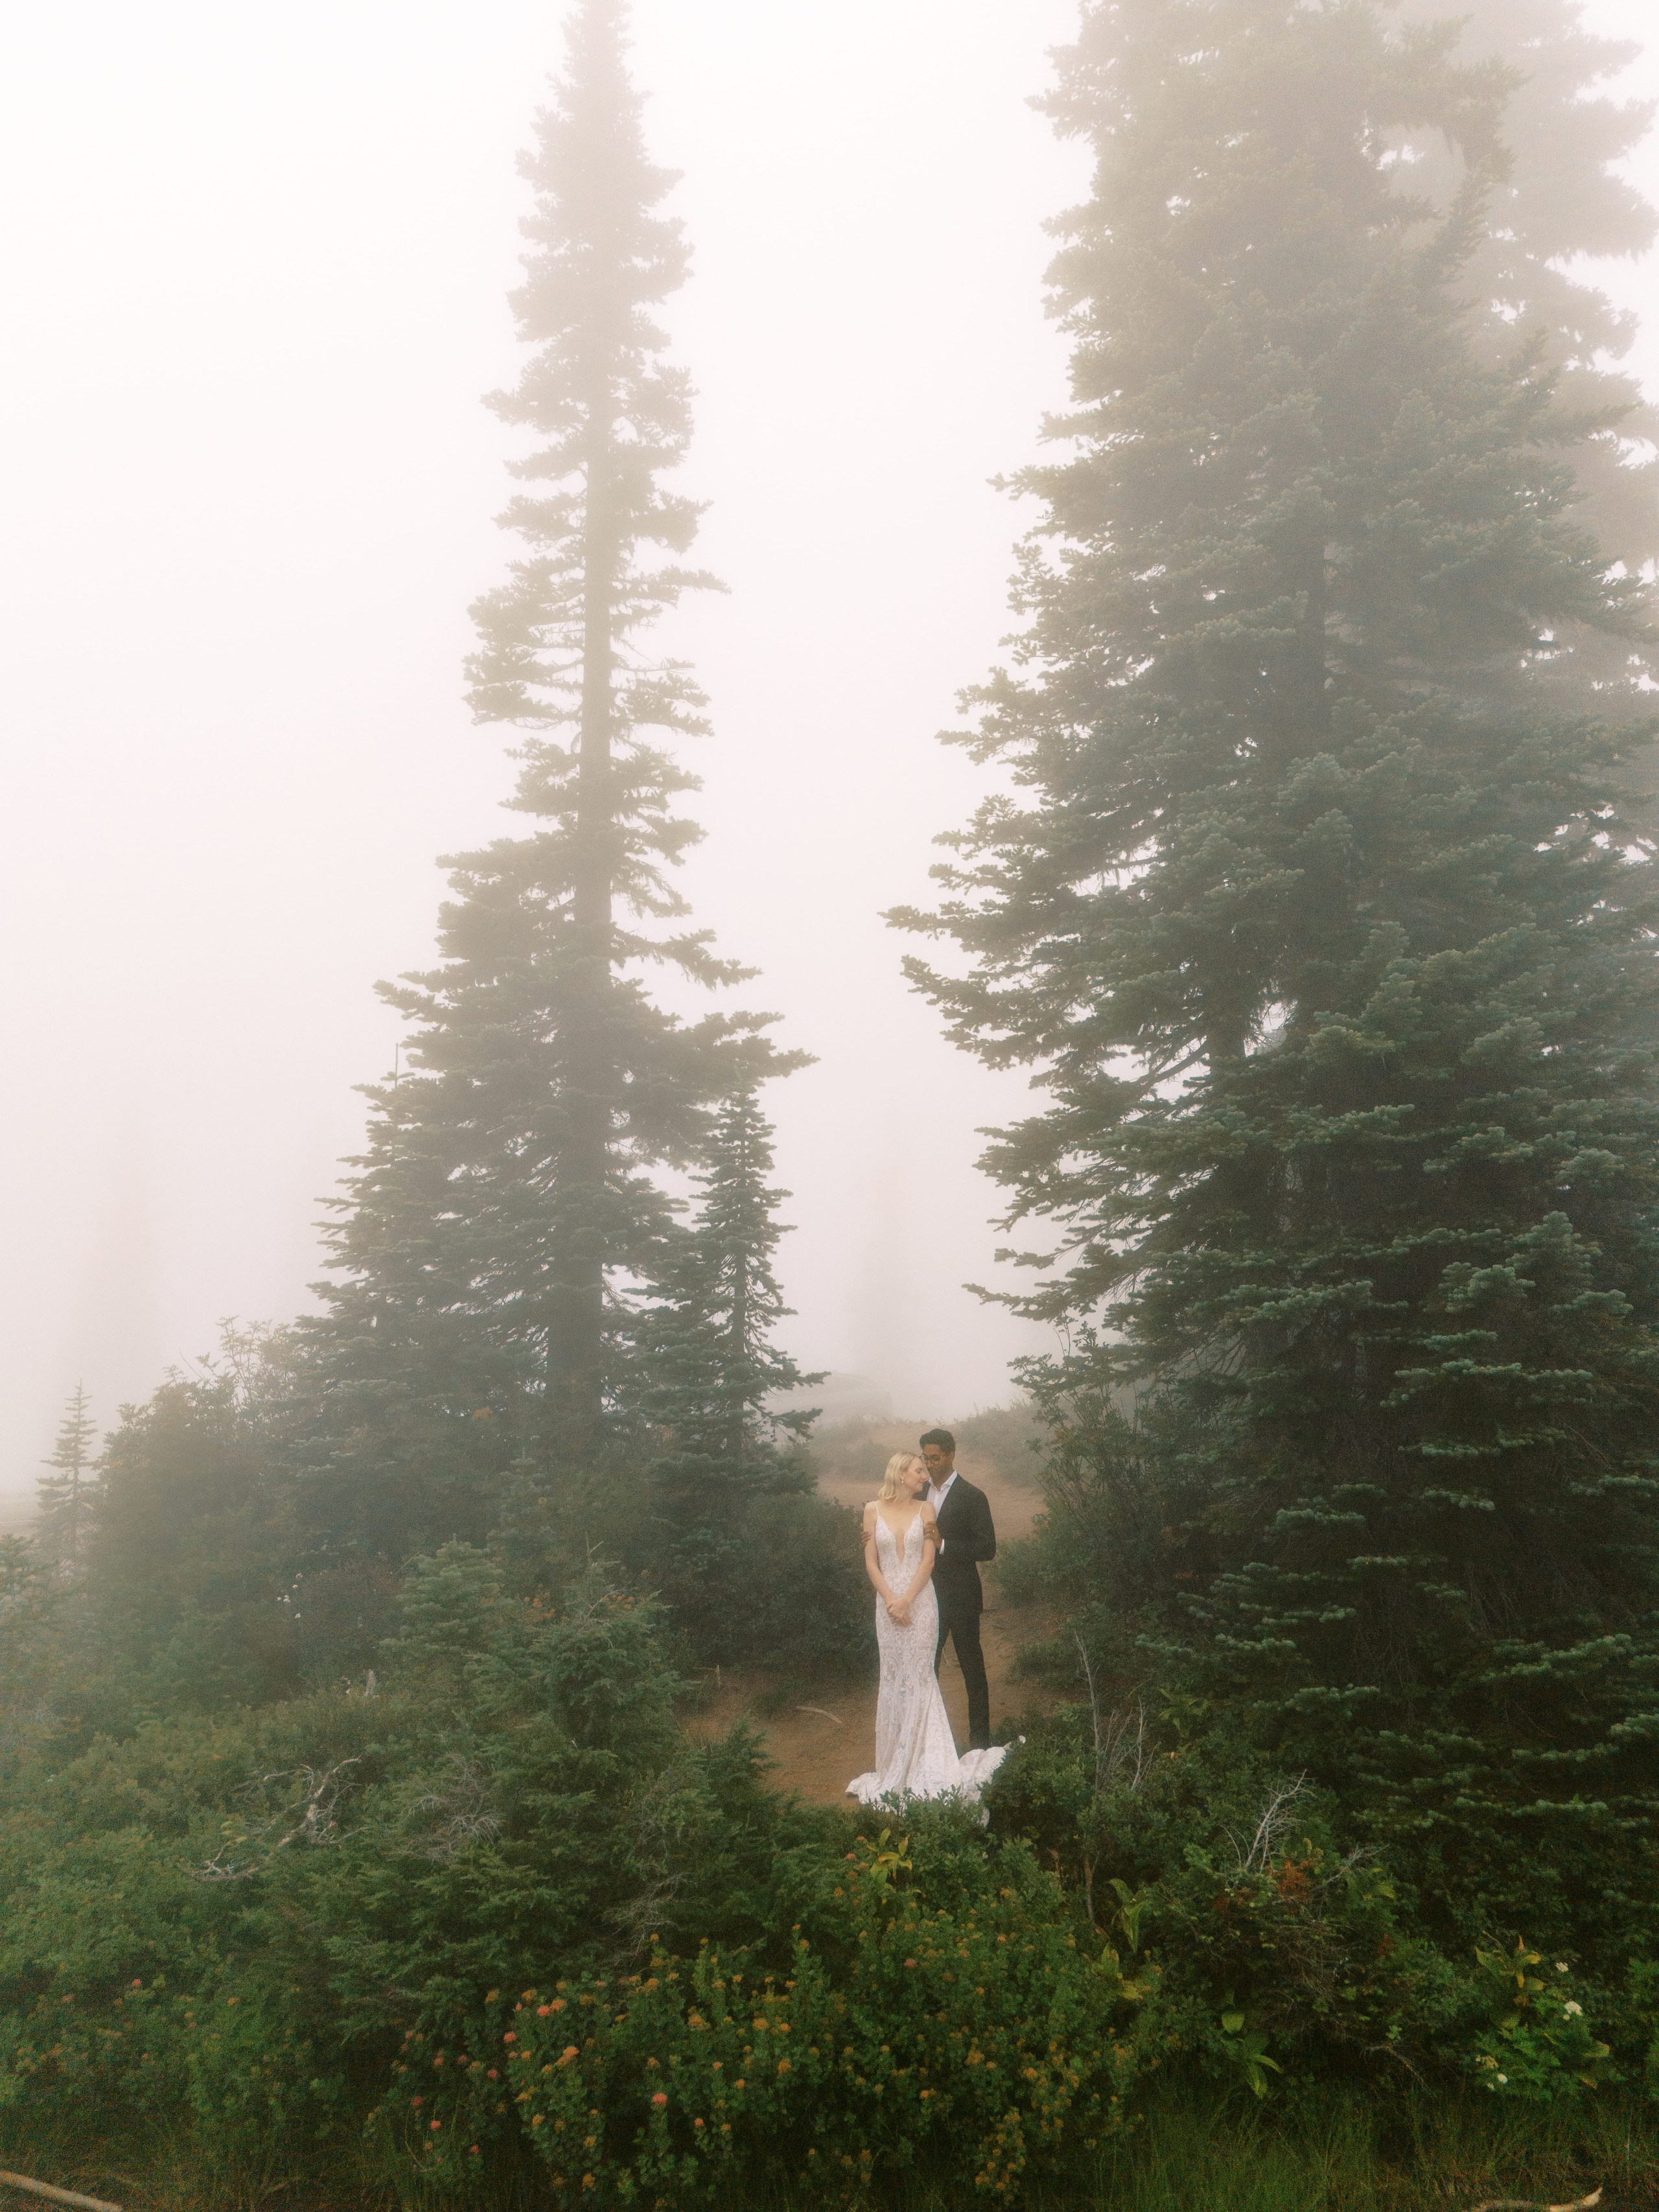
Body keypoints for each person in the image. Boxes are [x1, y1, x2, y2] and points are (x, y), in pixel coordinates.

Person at [845, 1453, 1006, 1805]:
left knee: (922, 1675)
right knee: (894, 1676)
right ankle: (895, 1762)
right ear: (901, 1474)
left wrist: (906, 1601)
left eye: (930, 1464)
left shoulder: (930, 1509)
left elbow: (930, 1559)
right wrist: (891, 1600)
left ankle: (933, 1757)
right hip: (887, 1607)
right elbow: (871, 1562)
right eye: (920, 1467)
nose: (926, 1472)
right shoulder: (872, 1509)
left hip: (922, 1603)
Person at [920, 1426, 996, 1750]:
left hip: (962, 1594)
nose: (929, 1464)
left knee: (971, 1667)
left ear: (951, 1455)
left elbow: (987, 1549)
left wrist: (944, 1544)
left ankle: (980, 1740)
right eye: (924, 1458)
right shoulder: (916, 1492)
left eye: (934, 1458)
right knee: (927, 1667)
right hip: (925, 1596)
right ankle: (928, 1740)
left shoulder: (973, 1496)